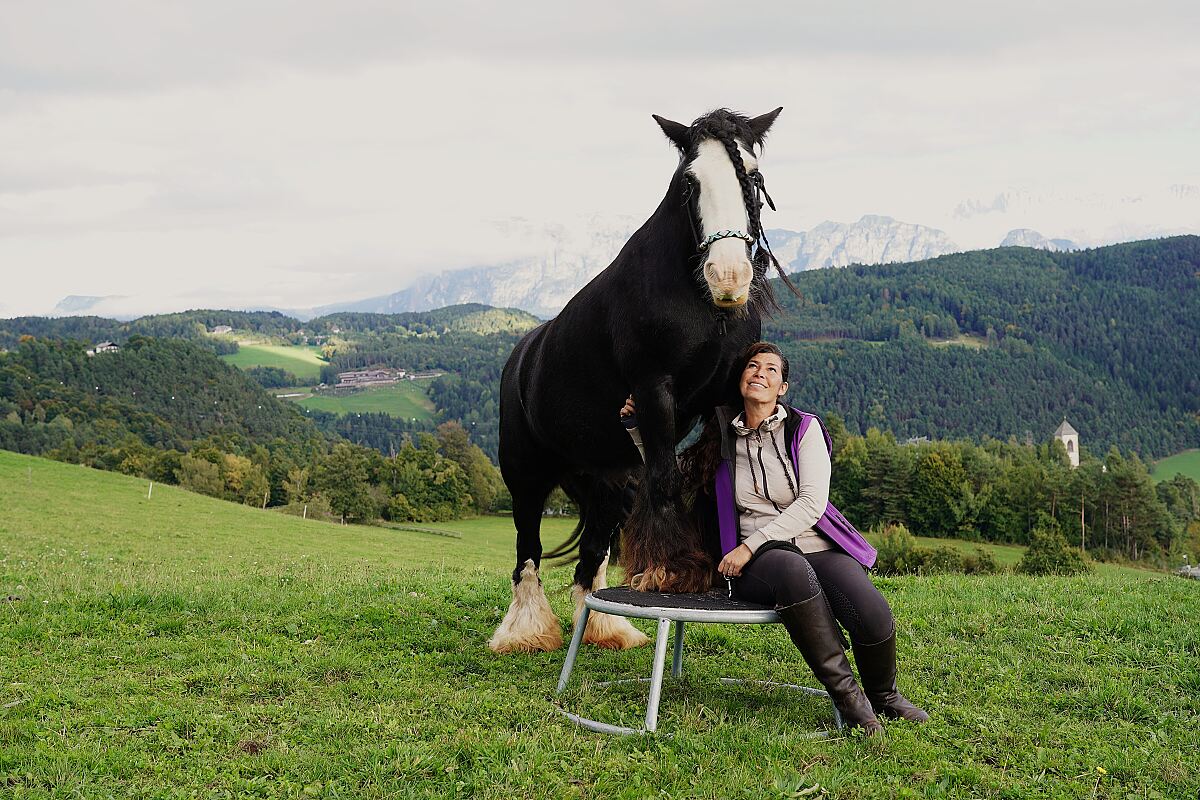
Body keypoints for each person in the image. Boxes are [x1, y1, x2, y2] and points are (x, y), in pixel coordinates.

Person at [620, 341, 927, 734]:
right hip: (758, 564)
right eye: (752, 366)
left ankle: (885, 697)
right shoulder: (720, 440)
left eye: (770, 369)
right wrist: (639, 429)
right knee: (793, 570)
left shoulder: (804, 428)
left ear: (782, 386)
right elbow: (671, 473)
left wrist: (751, 543)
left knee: (871, 610)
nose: (759, 373)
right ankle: (852, 702)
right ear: (741, 379)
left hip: (812, 545)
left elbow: (812, 502)